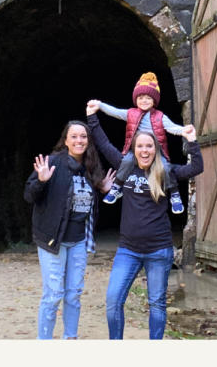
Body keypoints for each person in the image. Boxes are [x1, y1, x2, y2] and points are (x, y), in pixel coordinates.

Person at [86, 100, 202, 340]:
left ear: (156, 149)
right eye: (140, 146)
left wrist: (192, 141)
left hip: (159, 251)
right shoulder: (125, 167)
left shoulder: (166, 171)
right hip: (128, 250)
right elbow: (103, 143)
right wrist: (92, 117)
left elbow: (196, 168)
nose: (145, 150)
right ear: (134, 149)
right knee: (113, 301)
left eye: (149, 146)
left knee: (157, 304)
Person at [24, 120, 115, 340]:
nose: (79, 140)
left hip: (79, 241)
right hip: (52, 239)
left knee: (73, 294)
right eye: (74, 136)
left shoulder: (91, 167)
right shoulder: (52, 163)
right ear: (66, 140)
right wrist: (41, 181)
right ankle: (43, 341)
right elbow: (29, 195)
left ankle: (70, 338)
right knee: (53, 294)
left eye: (83, 136)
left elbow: (85, 204)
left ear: (88, 140)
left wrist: (101, 189)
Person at [88, 71, 188, 213]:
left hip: (156, 152)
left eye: (148, 97)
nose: (144, 100)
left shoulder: (160, 117)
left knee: (166, 168)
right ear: (136, 99)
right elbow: (115, 111)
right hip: (136, 151)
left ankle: (175, 194)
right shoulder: (131, 114)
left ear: (154, 100)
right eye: (140, 97)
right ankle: (117, 187)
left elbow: (172, 128)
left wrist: (184, 131)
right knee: (126, 162)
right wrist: (100, 105)